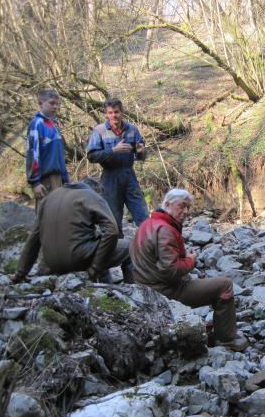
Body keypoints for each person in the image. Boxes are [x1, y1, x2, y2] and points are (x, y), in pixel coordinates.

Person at [130, 189, 248, 351]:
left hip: (145, 287)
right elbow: (170, 270)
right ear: (167, 204)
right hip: (163, 291)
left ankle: (214, 328)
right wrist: (190, 261)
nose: (185, 211)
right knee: (225, 285)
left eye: (188, 208)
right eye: (182, 206)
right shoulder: (165, 230)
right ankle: (226, 339)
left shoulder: (148, 224)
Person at [12, 178, 133, 284]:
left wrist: (20, 272)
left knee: (101, 244)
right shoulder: (91, 196)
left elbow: (33, 238)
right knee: (130, 247)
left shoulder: (49, 198)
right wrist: (95, 267)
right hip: (78, 259)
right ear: (98, 192)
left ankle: (106, 287)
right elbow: (112, 231)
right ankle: (133, 293)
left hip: (51, 263)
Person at [86, 98, 149, 236]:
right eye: (110, 112)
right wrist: (113, 151)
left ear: (122, 112)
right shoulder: (99, 131)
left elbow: (142, 156)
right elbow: (91, 157)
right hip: (109, 178)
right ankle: (116, 251)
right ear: (106, 114)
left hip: (129, 176)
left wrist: (141, 151)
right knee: (112, 220)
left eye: (116, 112)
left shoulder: (132, 129)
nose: (114, 115)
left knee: (142, 214)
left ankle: (149, 248)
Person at [25, 89, 69, 208]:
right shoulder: (37, 124)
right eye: (51, 103)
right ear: (40, 104)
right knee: (45, 217)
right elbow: (32, 154)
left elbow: (59, 155)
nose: (55, 106)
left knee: (58, 216)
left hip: (58, 178)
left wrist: (65, 179)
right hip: (45, 180)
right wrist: (35, 183)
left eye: (57, 104)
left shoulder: (54, 124)